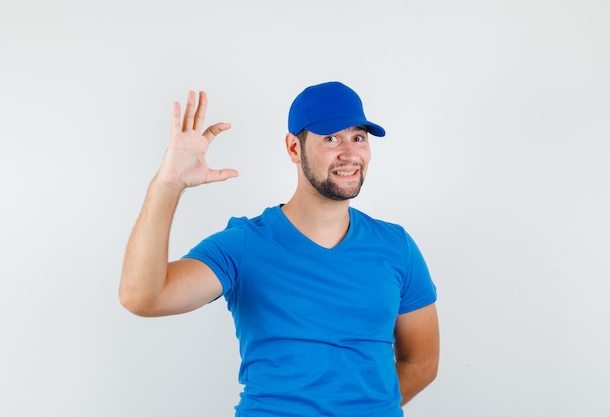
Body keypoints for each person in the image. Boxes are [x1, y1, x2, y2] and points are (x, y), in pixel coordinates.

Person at [119, 81, 439, 417]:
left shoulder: (396, 246)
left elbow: (423, 361)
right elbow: (142, 297)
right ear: (293, 148)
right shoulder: (244, 244)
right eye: (330, 138)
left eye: (358, 137)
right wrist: (168, 185)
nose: (349, 153)